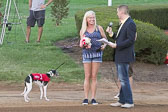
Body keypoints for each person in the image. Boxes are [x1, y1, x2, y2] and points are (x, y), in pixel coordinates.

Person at [100, 5, 136, 108]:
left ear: (121, 12)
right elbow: (120, 38)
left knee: (124, 79)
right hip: (120, 55)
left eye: (117, 12)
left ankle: (129, 101)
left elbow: (130, 40)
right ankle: (122, 100)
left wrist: (117, 45)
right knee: (122, 78)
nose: (116, 14)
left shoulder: (130, 24)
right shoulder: (124, 23)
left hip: (125, 56)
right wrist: (111, 34)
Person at [79, 10, 107, 105]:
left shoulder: (99, 28)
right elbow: (80, 44)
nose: (92, 19)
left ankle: (93, 98)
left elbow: (105, 40)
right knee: (87, 76)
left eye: (93, 17)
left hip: (97, 54)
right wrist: (84, 44)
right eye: (90, 18)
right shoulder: (83, 30)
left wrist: (104, 45)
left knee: (94, 76)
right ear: (86, 19)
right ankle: (86, 98)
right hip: (87, 54)